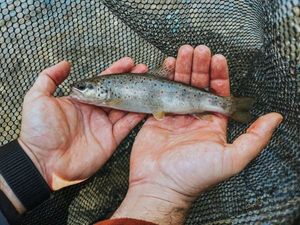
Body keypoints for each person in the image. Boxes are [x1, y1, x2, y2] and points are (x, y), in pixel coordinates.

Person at [0, 45, 283, 225]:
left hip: (175, 100)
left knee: (214, 102)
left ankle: (229, 106)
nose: (78, 91)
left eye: (84, 88)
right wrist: (32, 161)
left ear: (102, 91)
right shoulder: (104, 96)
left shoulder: (108, 96)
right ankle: (229, 106)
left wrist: (32, 162)